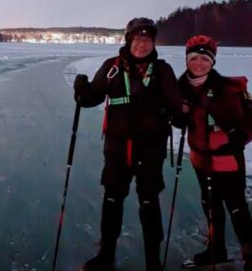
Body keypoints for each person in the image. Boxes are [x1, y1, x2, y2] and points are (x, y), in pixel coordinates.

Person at [73, 17, 183, 271]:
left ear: (153, 43)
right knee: (112, 199)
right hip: (117, 149)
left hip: (151, 150)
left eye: (147, 40)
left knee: (149, 203)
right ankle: (106, 256)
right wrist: (81, 90)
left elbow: (177, 108)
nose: (142, 45)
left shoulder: (163, 71)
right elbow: (91, 98)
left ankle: (153, 262)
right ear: (128, 41)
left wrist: (179, 113)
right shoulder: (112, 67)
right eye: (137, 39)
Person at [177, 35, 252, 271]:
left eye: (205, 59)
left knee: (237, 208)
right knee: (211, 206)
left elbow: (249, 125)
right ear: (187, 60)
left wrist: (232, 139)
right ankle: (216, 250)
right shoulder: (181, 87)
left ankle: (250, 260)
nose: (199, 63)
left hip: (227, 160)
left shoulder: (226, 89)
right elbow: (178, 120)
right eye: (194, 58)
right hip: (200, 159)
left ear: (212, 62)